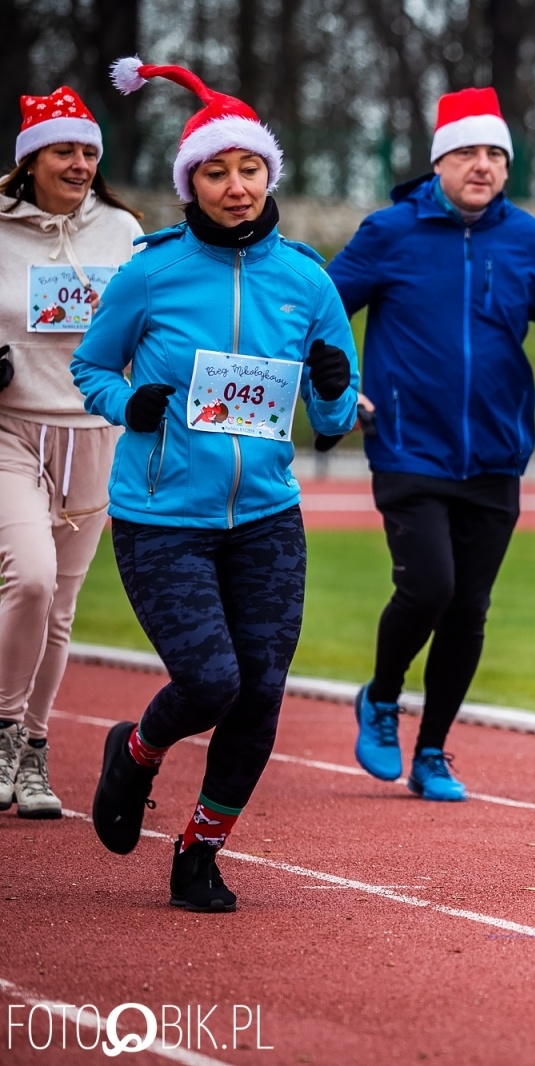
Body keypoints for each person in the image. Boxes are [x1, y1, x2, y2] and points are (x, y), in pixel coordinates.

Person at [74, 58, 359, 912]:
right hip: (162, 515)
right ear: (189, 182)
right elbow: (91, 366)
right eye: (215, 171)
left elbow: (334, 419)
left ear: (269, 173)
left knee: (261, 695)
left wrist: (336, 381)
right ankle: (134, 754)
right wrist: (134, 402)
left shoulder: (308, 279)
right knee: (209, 681)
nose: (236, 187)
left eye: (249, 169)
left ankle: (201, 850)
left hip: (268, 519)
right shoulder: (151, 271)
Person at [327, 87, 535, 802]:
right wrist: (341, 386)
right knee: (430, 587)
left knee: (469, 609)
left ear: (507, 168)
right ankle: (381, 698)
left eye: (494, 155)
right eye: (467, 153)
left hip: (497, 452)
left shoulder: (529, 239)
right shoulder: (389, 232)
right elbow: (323, 313)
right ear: (438, 162)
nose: (482, 166)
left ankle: (433, 752)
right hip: (408, 444)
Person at [0, 86, 143, 820]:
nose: (80, 162)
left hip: (93, 432)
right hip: (11, 428)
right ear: (30, 160)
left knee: (59, 608)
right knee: (29, 579)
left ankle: (32, 749)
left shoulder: (122, 230)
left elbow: (151, 321)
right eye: (65, 150)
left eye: (89, 150)